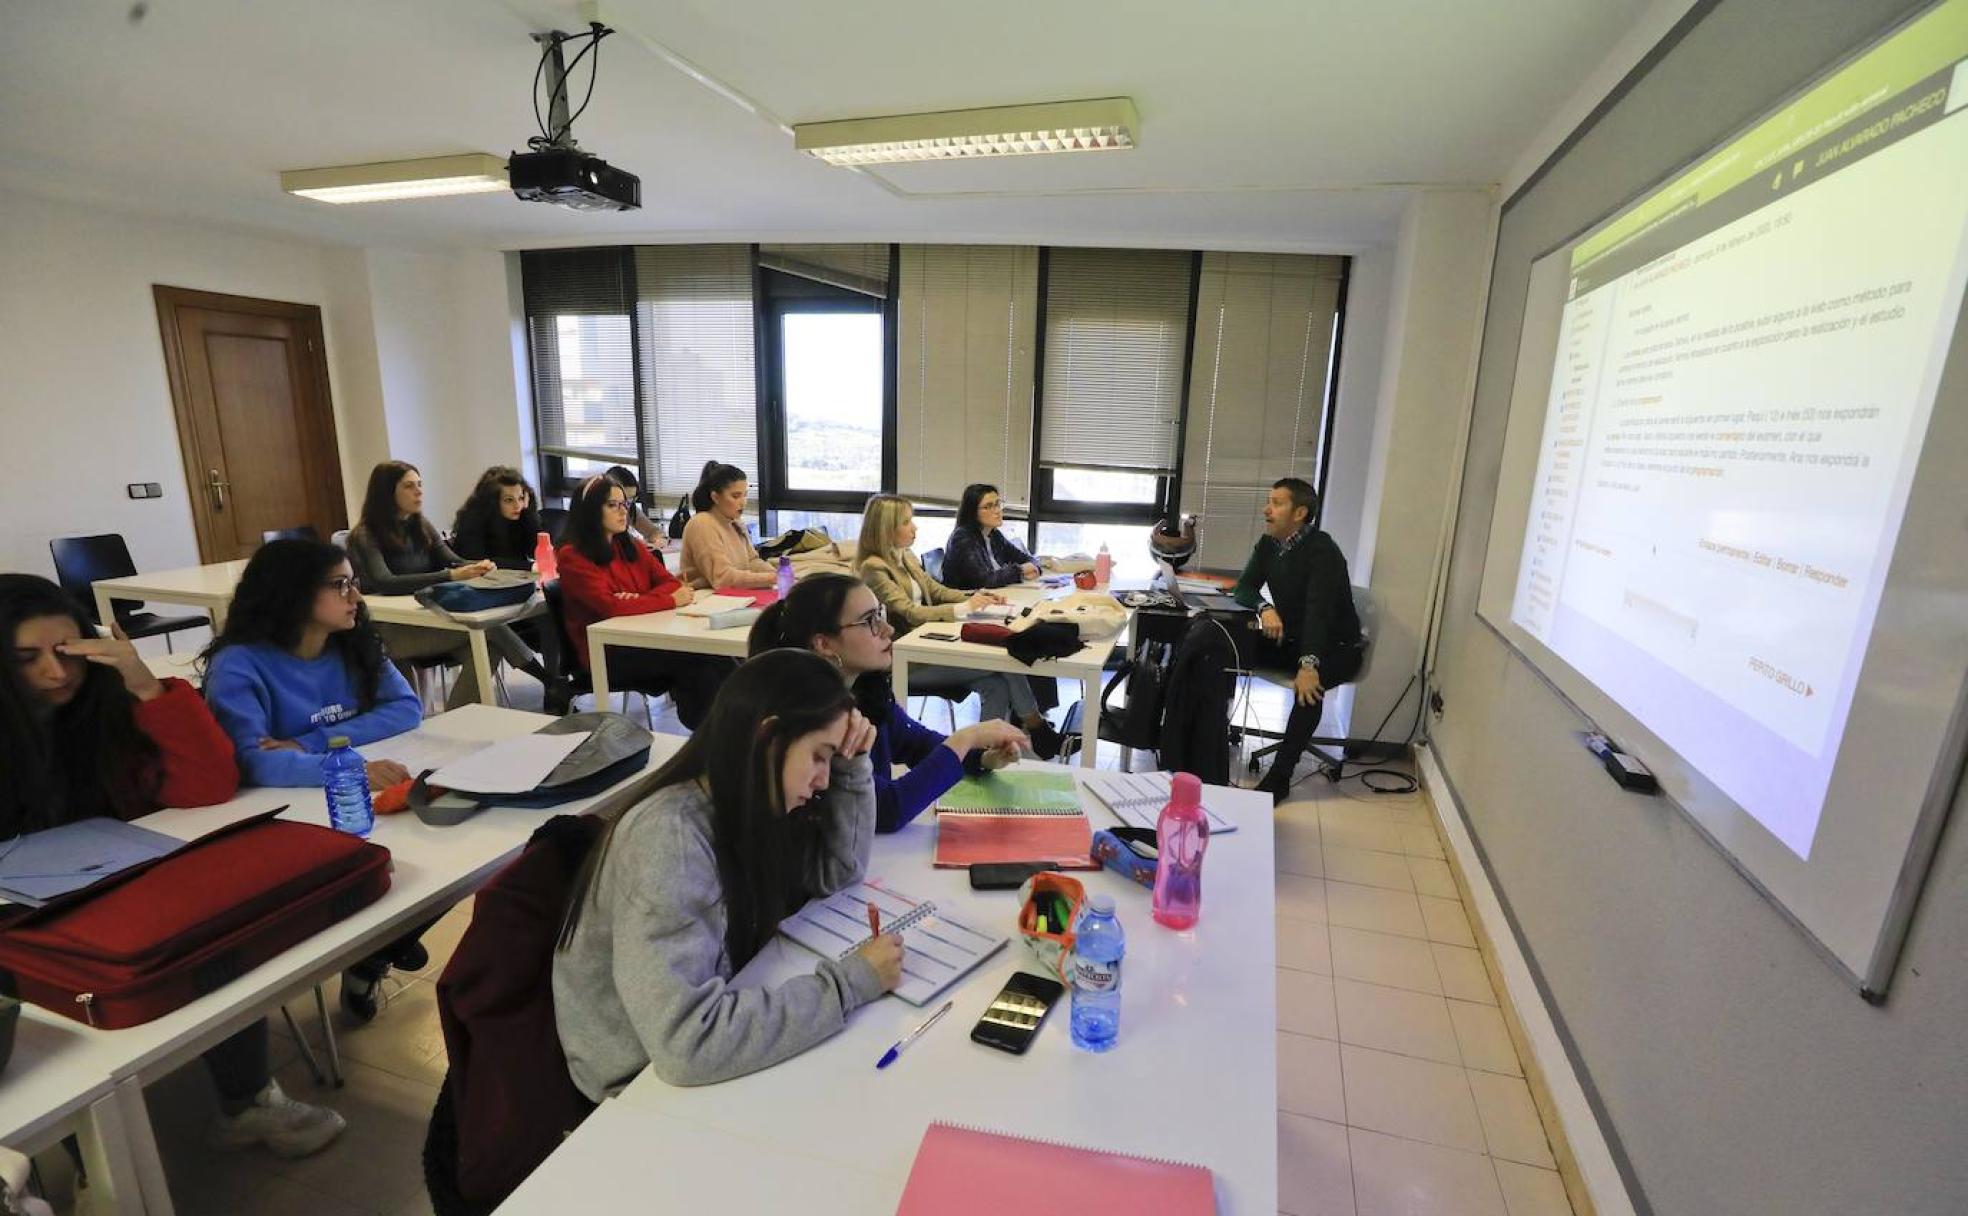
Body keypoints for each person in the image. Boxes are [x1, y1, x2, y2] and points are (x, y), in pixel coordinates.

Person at [0, 573, 345, 1157]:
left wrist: (141, 682)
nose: (55, 674)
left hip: (121, 886)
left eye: (66, 653)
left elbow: (209, 785)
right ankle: (82, 1153)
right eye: (26, 659)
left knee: (213, 937)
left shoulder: (104, 709)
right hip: (23, 917)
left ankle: (246, 1102)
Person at [552, 649, 901, 1094]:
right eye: (819, 756)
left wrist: (852, 764)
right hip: (638, 1084)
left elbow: (838, 874)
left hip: (709, 1027)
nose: (822, 781)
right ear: (769, 737)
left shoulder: (747, 798)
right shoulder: (670, 840)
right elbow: (686, 1044)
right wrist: (848, 987)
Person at [199, 539, 431, 1020]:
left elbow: (407, 708)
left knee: (437, 875)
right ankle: (374, 949)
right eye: (340, 585)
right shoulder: (240, 663)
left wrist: (313, 742)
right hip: (278, 823)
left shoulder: (353, 642)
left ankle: (375, 952)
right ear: (293, 594)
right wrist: (348, 766)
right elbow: (250, 761)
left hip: (338, 795)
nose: (355, 597)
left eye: (354, 583)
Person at [749, 574, 1028, 832]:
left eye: (880, 614)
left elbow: (917, 744)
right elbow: (884, 809)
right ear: (824, 644)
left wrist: (982, 757)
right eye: (869, 620)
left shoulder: (865, 691)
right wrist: (966, 739)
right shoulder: (814, 721)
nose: (888, 628)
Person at [854, 494, 1063, 758]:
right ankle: (1037, 728)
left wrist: (978, 596)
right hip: (906, 659)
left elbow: (937, 590)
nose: (915, 527)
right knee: (1004, 663)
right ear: (887, 529)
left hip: (928, 644)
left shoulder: (904, 556)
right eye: (907, 522)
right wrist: (964, 608)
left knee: (996, 683)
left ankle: (987, 753)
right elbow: (909, 611)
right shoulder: (874, 568)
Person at [346, 460, 557, 709]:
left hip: (428, 617)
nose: (419, 491)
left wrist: (478, 567)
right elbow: (386, 582)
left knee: (488, 646)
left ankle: (457, 715)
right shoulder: (365, 535)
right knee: (489, 628)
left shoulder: (420, 526)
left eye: (420, 484)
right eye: (409, 486)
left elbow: (452, 561)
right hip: (391, 629)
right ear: (387, 492)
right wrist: (451, 576)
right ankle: (551, 681)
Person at [554, 474, 735, 729]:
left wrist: (640, 600)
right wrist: (665, 601)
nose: (622, 512)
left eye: (625, 505)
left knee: (718, 653)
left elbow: (671, 584)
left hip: (644, 637)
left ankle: (738, 727)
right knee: (696, 661)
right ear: (590, 510)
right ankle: (712, 735)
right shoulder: (573, 556)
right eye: (612, 505)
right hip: (606, 652)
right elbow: (610, 607)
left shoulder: (631, 546)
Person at [1231, 477, 1365, 803]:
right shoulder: (1268, 546)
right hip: (1293, 639)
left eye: (1277, 503)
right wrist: (1266, 607)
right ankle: (1202, 737)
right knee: (1222, 644)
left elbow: (1318, 613)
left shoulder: (1323, 550)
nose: (1267, 509)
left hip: (1338, 648)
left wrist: (1308, 665)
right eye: (1269, 501)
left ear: (1300, 512)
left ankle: (1280, 777)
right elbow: (1244, 588)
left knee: (1310, 687)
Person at [451, 466, 569, 711]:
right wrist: (527, 566)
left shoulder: (523, 516)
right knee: (520, 622)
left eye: (521, 497)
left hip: (519, 595)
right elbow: (480, 563)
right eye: (509, 500)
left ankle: (553, 689)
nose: (518, 505)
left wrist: (529, 520)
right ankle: (553, 683)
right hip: (488, 601)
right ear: (492, 503)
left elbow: (540, 549)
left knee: (551, 616)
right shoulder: (472, 525)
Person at [678, 461, 775, 590]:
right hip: (702, 597)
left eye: (745, 495)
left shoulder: (736, 522)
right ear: (716, 497)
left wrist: (776, 573)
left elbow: (752, 561)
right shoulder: (702, 524)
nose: (743, 502)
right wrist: (770, 579)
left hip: (731, 595)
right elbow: (722, 578)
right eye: (736, 496)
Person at [941, 483, 1040, 590]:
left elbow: (1026, 558)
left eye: (997, 504)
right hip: (967, 599)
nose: (997, 511)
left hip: (995, 594)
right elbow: (984, 581)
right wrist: (1020, 570)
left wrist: (1034, 567)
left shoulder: (993, 534)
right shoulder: (962, 538)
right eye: (988, 507)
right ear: (972, 512)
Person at [603, 464, 666, 546]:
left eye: (631, 499)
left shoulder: (630, 508)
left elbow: (653, 531)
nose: (625, 509)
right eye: (623, 499)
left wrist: (659, 540)